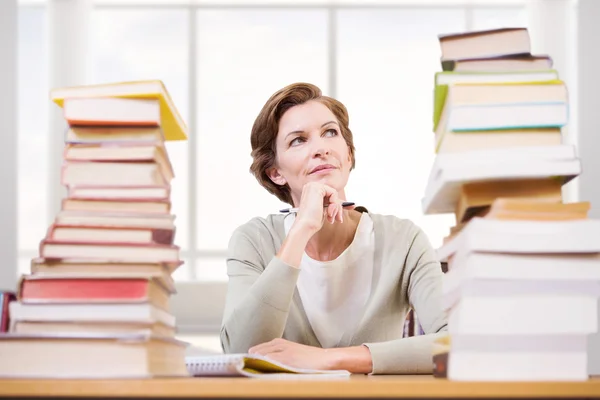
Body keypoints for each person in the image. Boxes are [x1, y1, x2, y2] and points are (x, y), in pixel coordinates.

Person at [220, 82, 447, 375]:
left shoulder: (403, 240)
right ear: (276, 172)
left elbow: (457, 344)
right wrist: (302, 230)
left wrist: (330, 359)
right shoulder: (253, 240)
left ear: (348, 154)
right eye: (298, 140)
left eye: (330, 132)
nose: (321, 148)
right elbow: (241, 351)